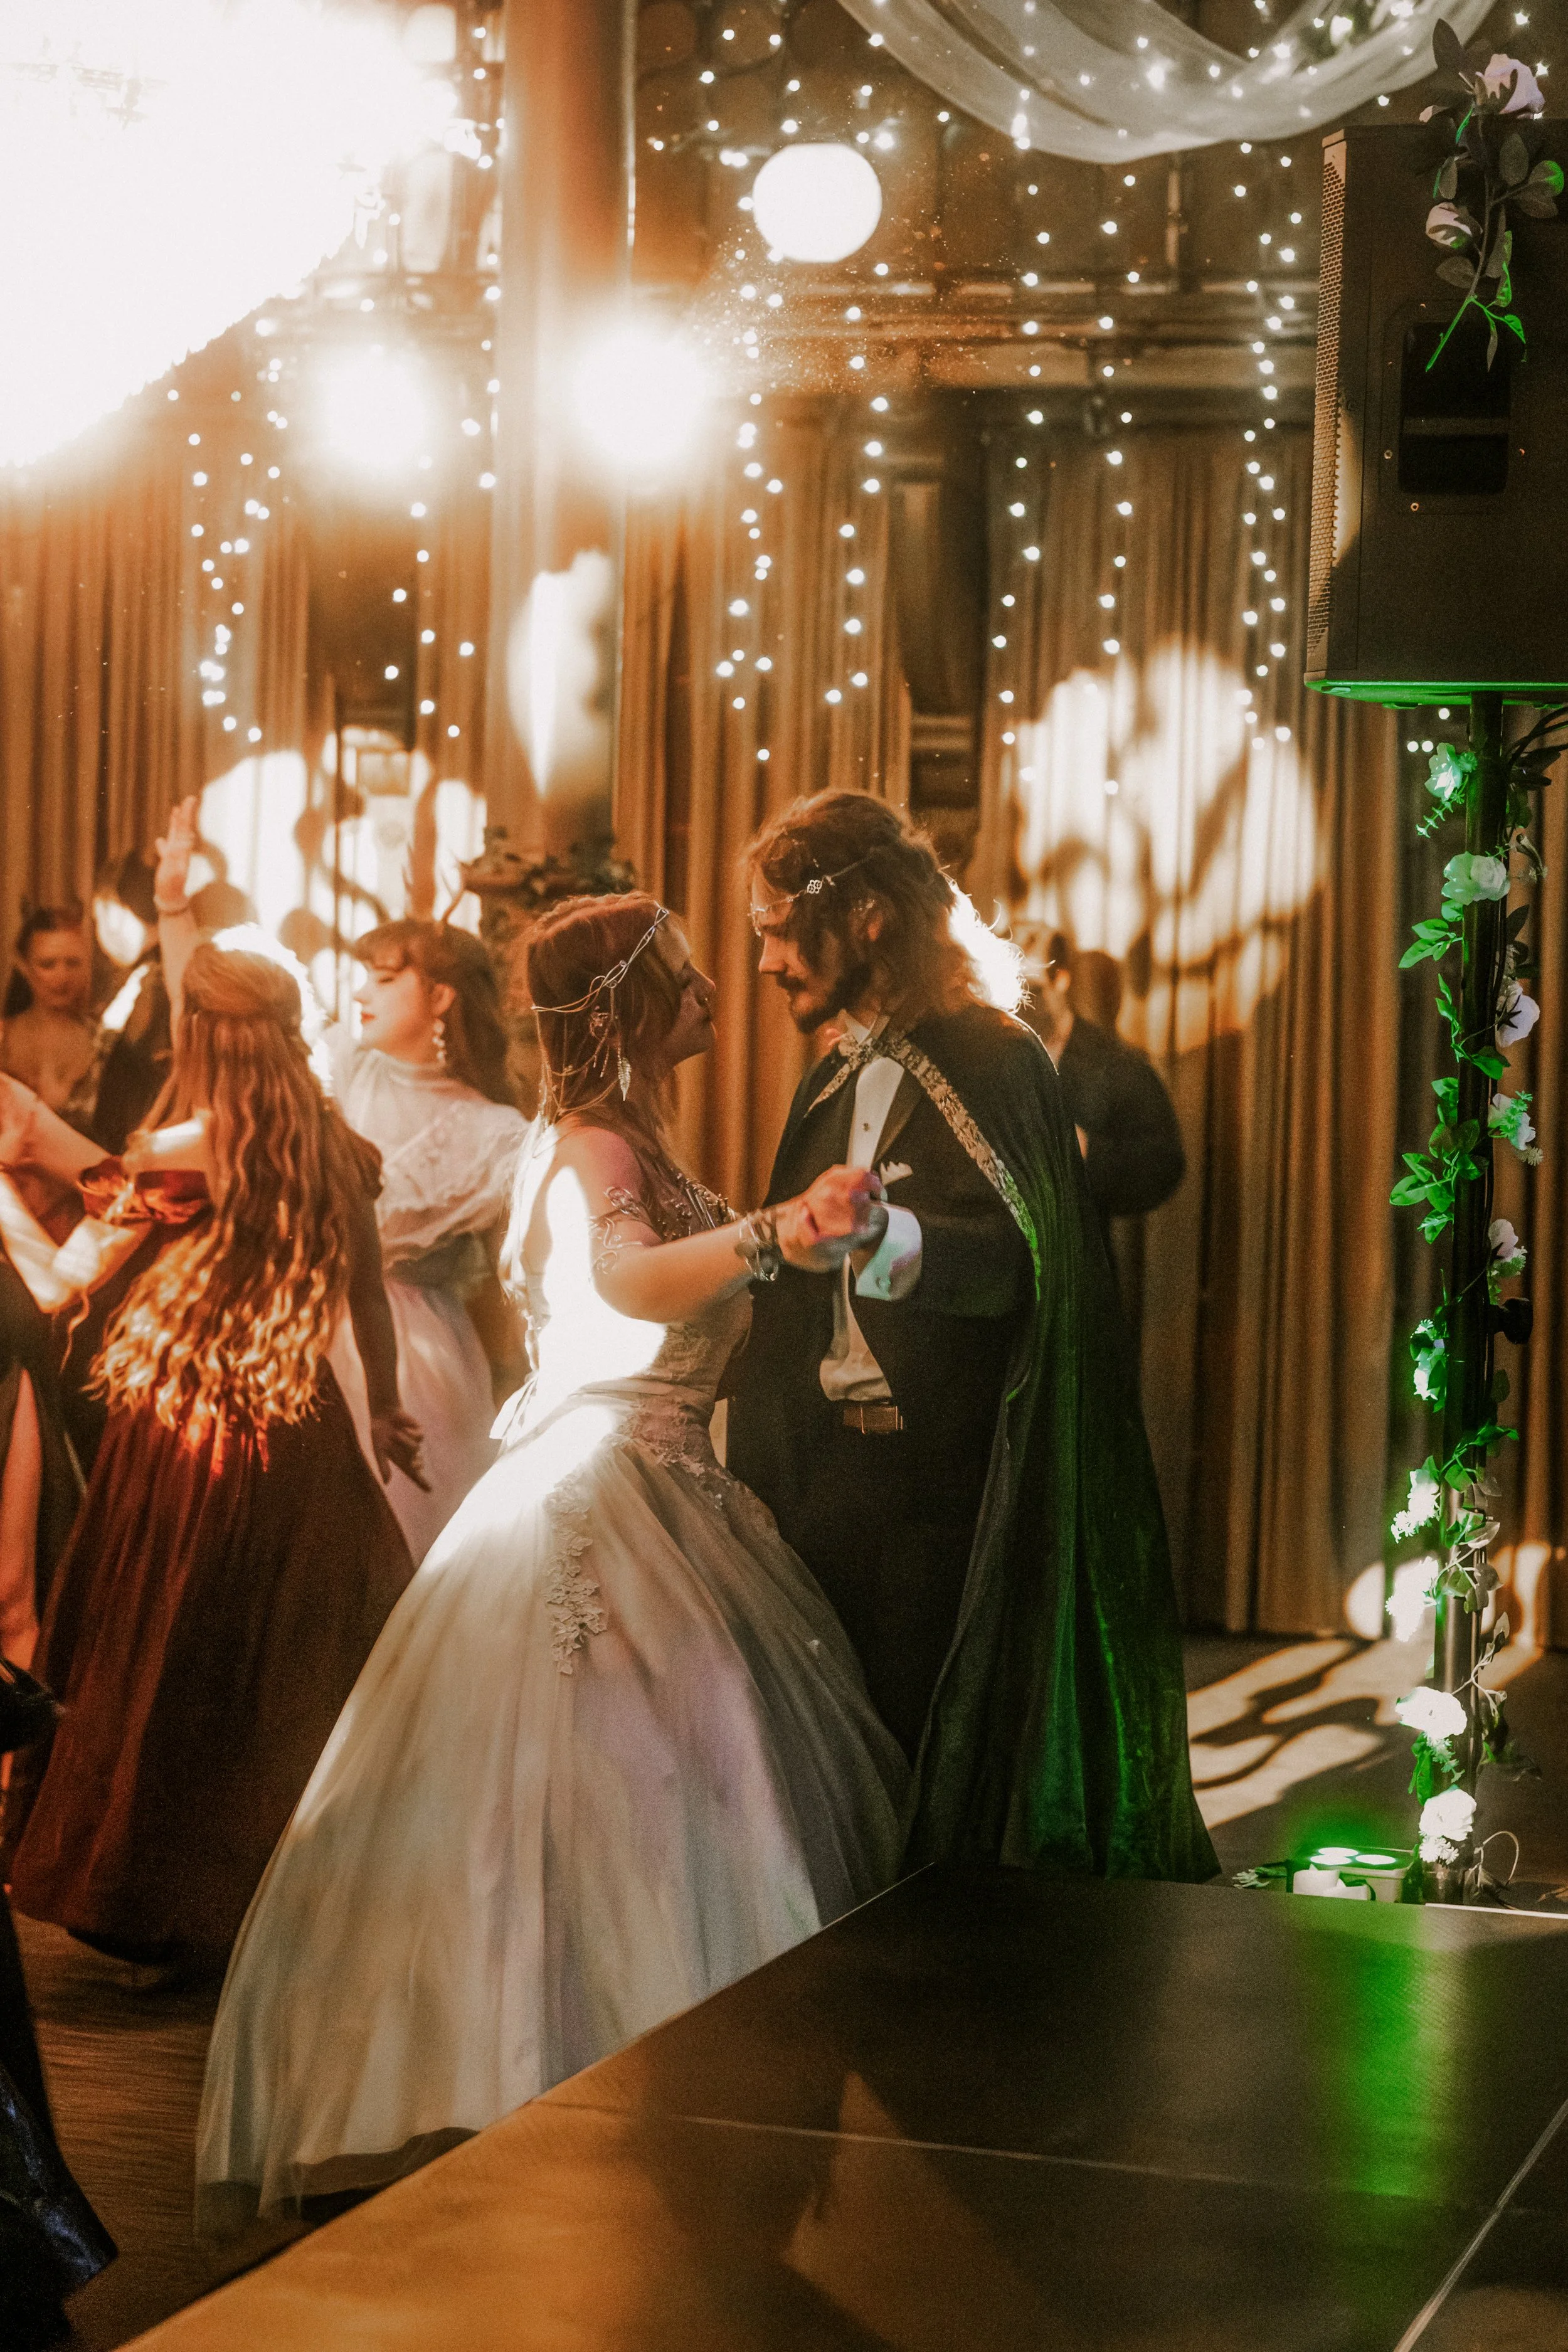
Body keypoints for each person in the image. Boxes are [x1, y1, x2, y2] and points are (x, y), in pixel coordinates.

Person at [196, 892, 907, 2225]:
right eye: (685, 978)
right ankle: (578, 2075)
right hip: (606, 1489)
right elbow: (631, 1288)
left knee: (666, 1780)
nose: (709, 991)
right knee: (646, 1773)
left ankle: (642, 2078)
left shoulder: (623, 1137)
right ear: (634, 1003)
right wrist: (774, 1233)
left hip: (670, 1480)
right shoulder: (588, 1147)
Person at [727, 790, 1215, 1882]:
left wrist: (883, 1236)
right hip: (822, 1490)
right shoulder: (836, 1070)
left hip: (941, 1499)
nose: (763, 963)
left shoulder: (998, 1061)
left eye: (773, 928)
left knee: (929, 1798)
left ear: (864, 918)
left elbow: (1020, 1267)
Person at [0, 932, 423, 1973]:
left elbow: (73, 1277)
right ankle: (288, 1889)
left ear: (198, 1037)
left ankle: (167, 1892)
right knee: (289, 1664)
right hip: (297, 1420)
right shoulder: (333, 1142)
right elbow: (368, 1296)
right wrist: (387, 1411)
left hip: (182, 1428)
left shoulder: (178, 1149)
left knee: (163, 1659)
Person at [154, 801, 529, 1563]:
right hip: (299, 1328)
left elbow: (533, 1271)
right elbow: (203, 1011)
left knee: (412, 1557)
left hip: (420, 1356)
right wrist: (171, 904)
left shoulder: (501, 1134)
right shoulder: (336, 1064)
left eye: (384, 980)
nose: (359, 993)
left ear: (441, 999)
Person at [1029, 932, 1185, 1259]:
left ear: (1061, 980)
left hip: (1074, 1263)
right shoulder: (991, 1055)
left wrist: (1088, 1152)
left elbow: (1164, 1164)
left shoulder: (1115, 1064)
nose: (1019, 1002)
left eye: (1030, 988)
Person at [0, 908, 110, 1143]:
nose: (62, 977)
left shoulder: (104, 1043)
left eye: (72, 963)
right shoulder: (2, 1038)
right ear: (24, 966)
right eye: (48, 964)